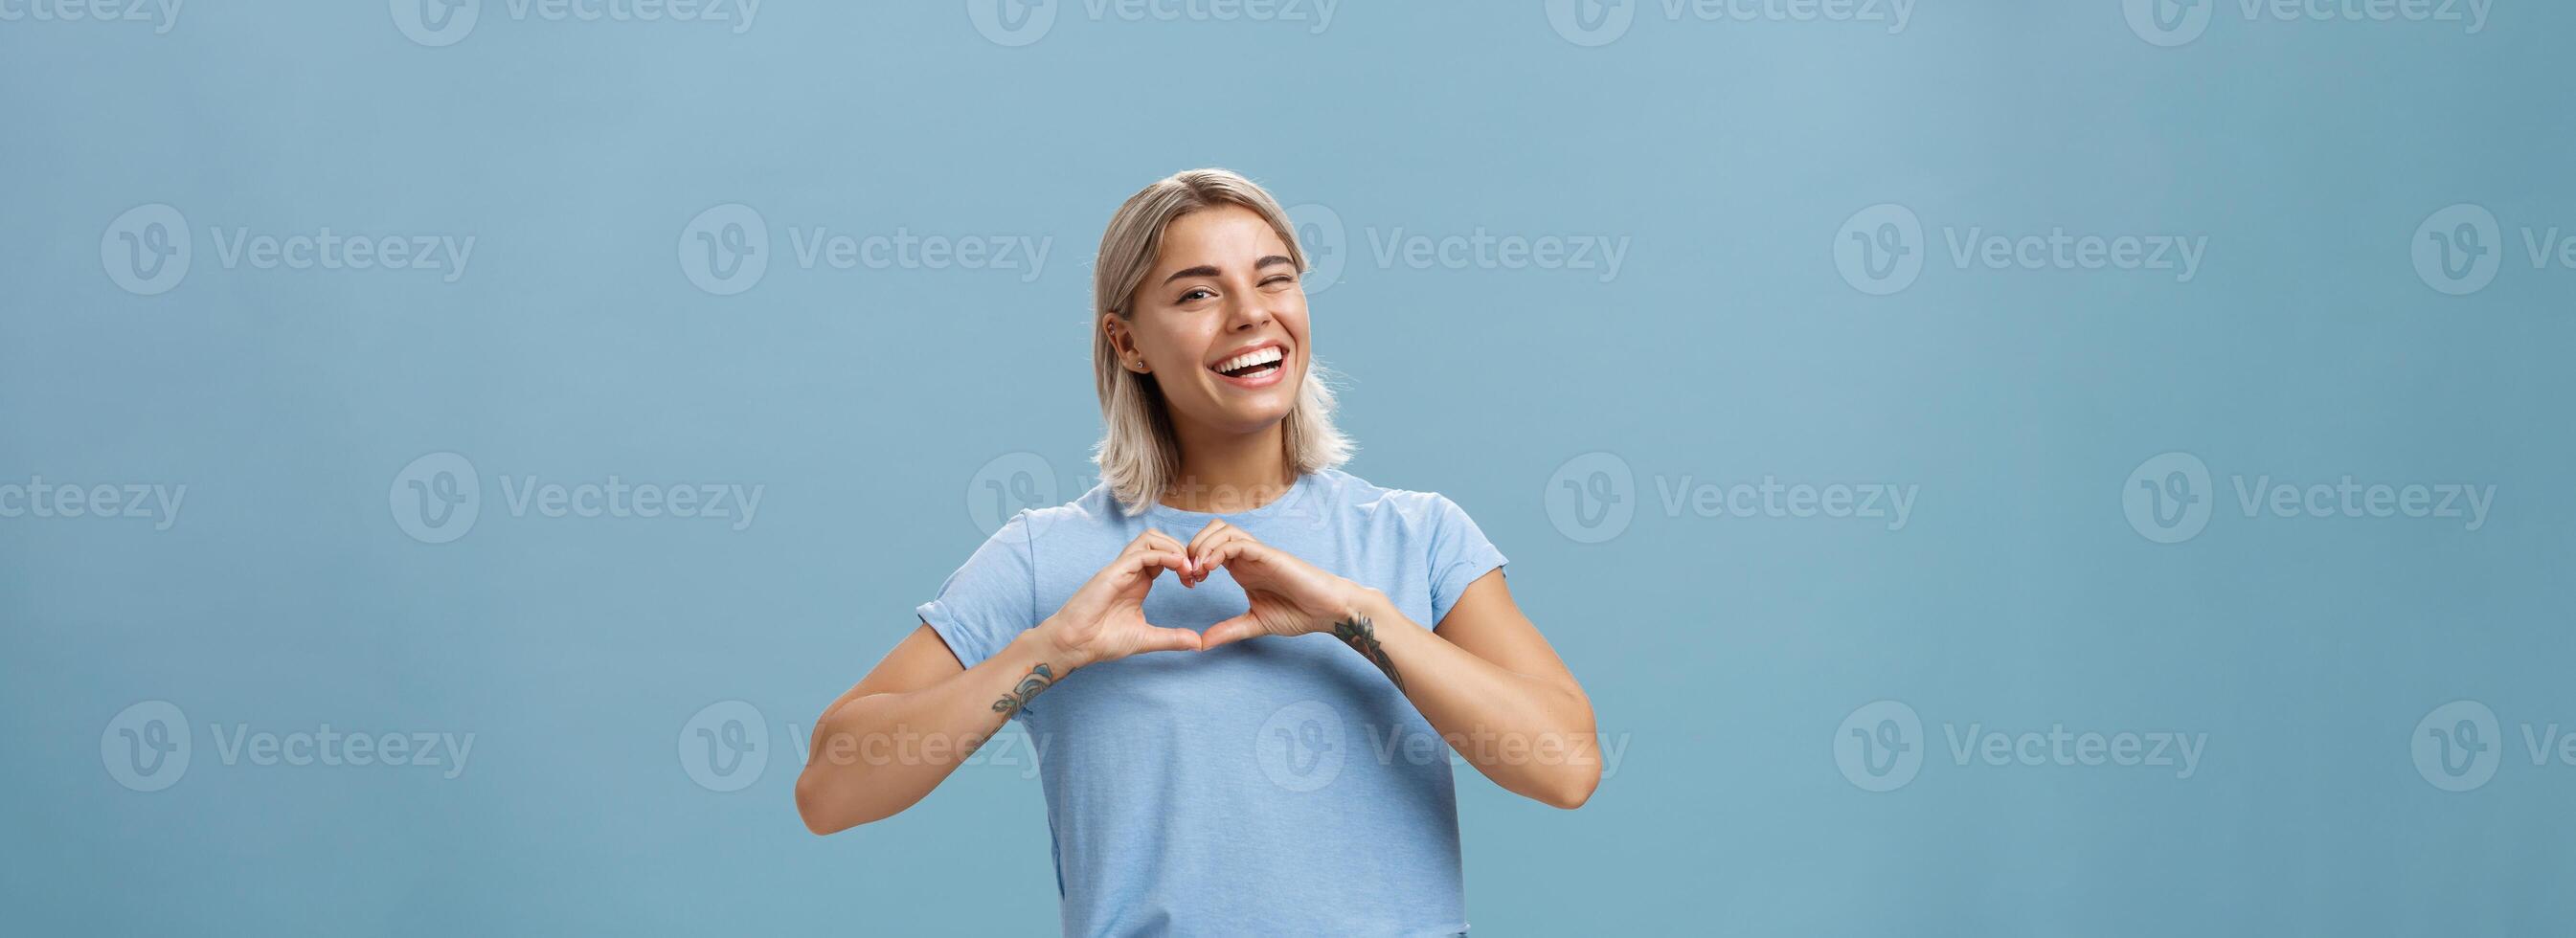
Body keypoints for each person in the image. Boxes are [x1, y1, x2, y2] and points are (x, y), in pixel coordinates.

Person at [795, 168, 1598, 936]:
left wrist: (1358, 617)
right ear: (1128, 342)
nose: (1250, 314)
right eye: (1198, 294)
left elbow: (1566, 767)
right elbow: (829, 791)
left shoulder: (1418, 536)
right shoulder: (1047, 560)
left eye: (1275, 278)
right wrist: (1052, 650)